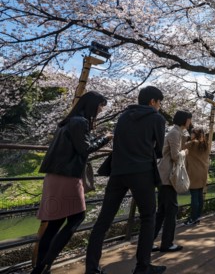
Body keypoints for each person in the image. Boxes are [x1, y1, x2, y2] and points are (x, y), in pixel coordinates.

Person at [85, 86, 166, 274]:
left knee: (104, 220)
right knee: (148, 217)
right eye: (159, 102)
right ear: (153, 101)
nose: (160, 106)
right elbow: (159, 150)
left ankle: (91, 268)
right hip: (142, 172)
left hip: (118, 171)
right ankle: (142, 267)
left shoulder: (123, 117)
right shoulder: (157, 118)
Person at [32, 92, 111, 274]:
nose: (100, 109)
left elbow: (77, 145)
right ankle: (45, 262)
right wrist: (105, 138)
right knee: (77, 218)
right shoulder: (80, 122)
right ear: (92, 104)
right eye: (100, 105)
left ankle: (40, 268)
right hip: (67, 177)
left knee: (54, 223)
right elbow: (85, 149)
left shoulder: (70, 121)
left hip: (55, 176)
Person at [153, 110, 191, 252]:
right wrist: (185, 152)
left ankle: (150, 241)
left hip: (165, 175)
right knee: (171, 209)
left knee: (162, 211)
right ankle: (167, 243)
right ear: (185, 120)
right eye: (189, 120)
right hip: (168, 176)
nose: (190, 123)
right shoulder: (175, 133)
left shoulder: (176, 132)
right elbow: (175, 156)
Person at [184, 127, 210, 225]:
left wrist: (186, 138)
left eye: (192, 133)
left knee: (194, 196)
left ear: (195, 134)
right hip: (203, 172)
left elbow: (181, 146)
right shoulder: (205, 144)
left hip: (193, 172)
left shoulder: (192, 143)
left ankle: (193, 218)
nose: (190, 134)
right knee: (199, 195)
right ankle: (198, 216)